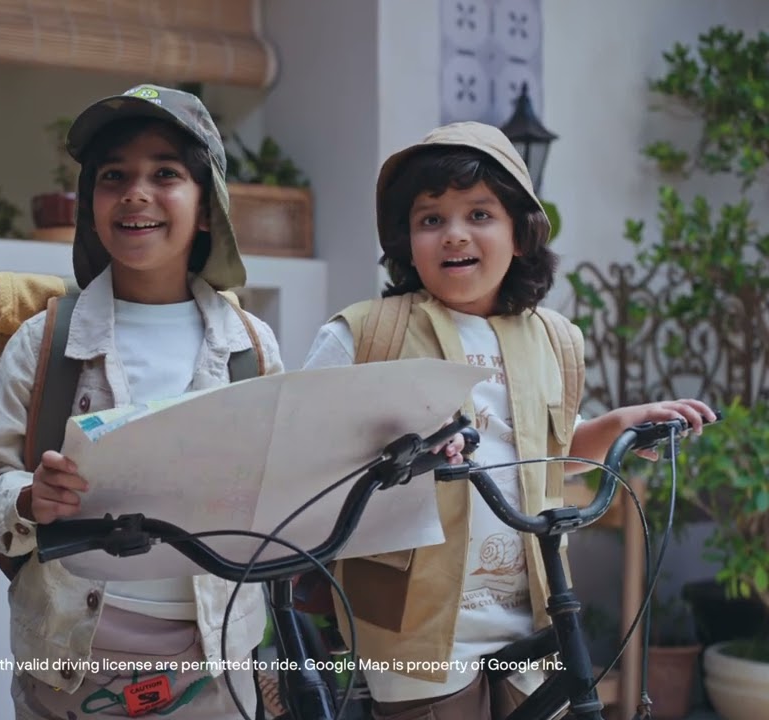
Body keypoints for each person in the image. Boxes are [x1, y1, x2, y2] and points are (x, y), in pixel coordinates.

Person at [301, 121, 716, 719]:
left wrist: (618, 425)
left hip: (535, 611)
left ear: (520, 234)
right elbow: (303, 456)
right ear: (406, 242)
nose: (454, 234)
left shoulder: (554, 340)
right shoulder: (367, 334)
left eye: (479, 214)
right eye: (430, 219)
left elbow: (548, 456)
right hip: (413, 623)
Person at [0, 84, 284, 718]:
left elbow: (283, 487)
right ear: (91, 206)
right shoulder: (45, 341)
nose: (136, 193)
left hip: (216, 661)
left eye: (165, 174)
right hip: (69, 663)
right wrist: (29, 499)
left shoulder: (249, 346)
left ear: (208, 208)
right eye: (114, 176)